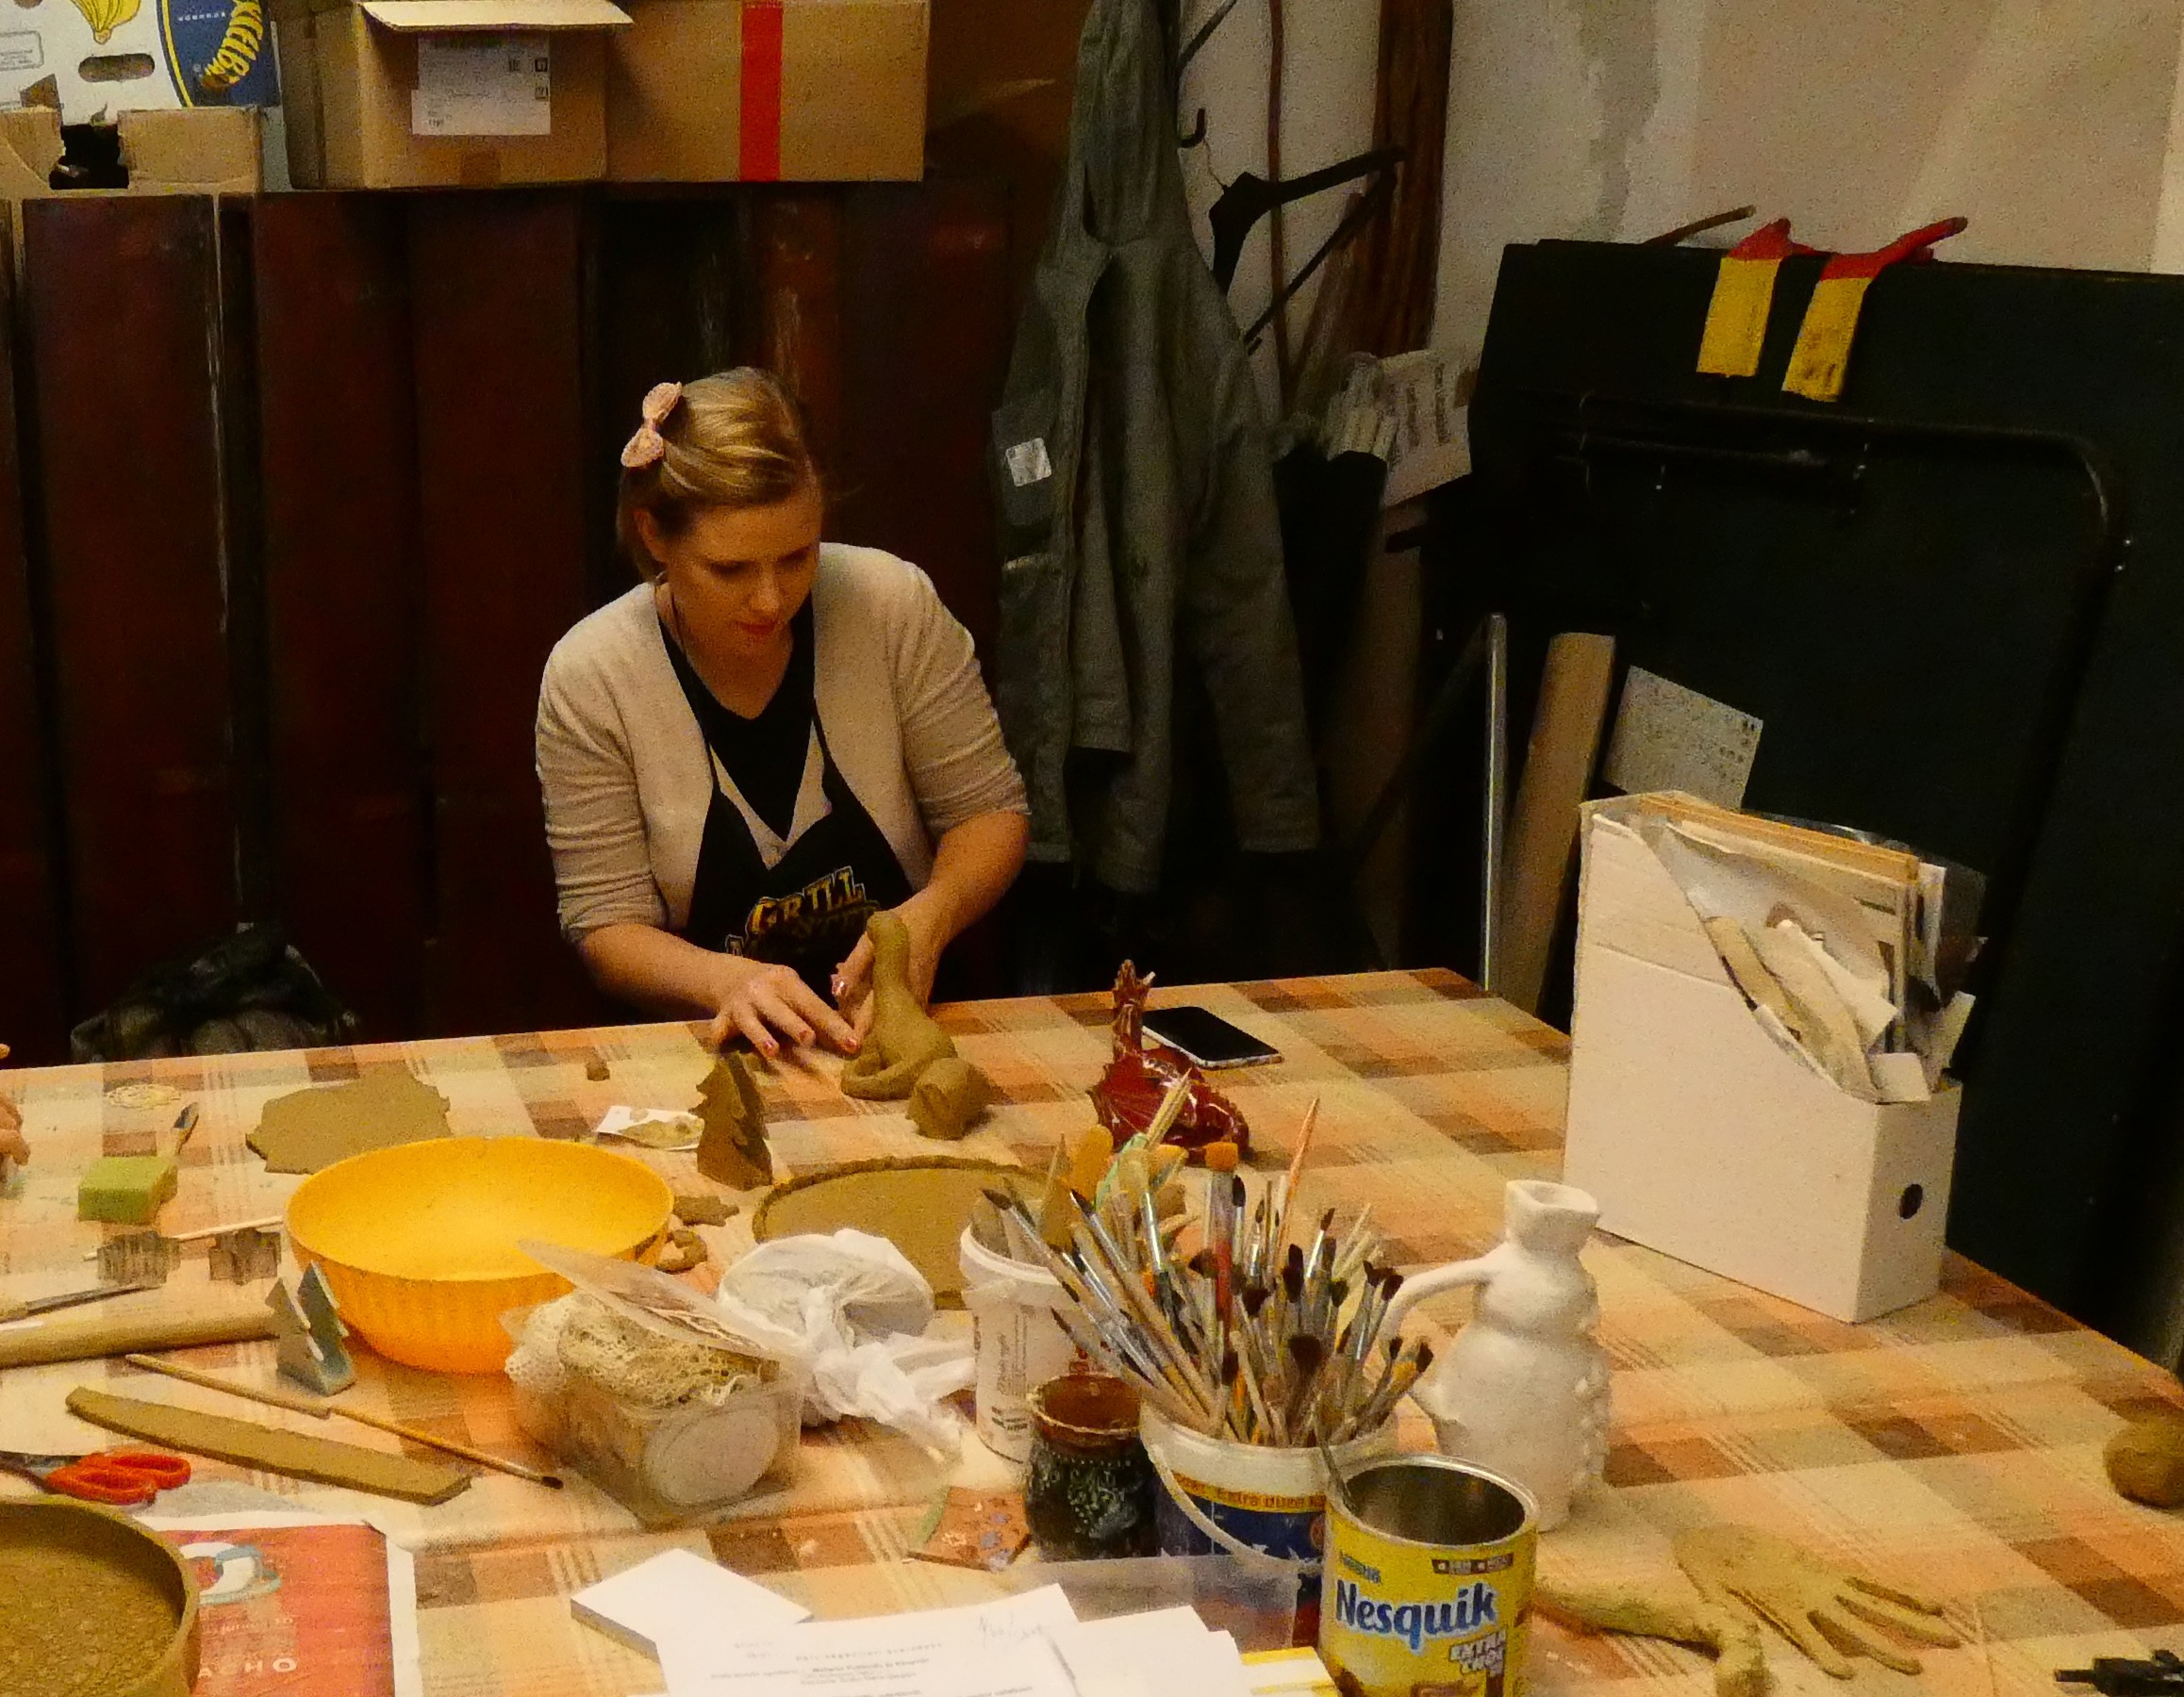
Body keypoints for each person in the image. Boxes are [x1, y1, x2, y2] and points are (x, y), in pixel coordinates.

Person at [537, 370, 1029, 1058]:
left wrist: (930, 917)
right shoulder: (593, 675)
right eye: (730, 569)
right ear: (653, 536)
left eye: (798, 557)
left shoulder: (891, 605)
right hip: (715, 1048)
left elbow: (989, 813)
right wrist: (726, 981)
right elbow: (606, 928)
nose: (771, 600)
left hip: (906, 1023)